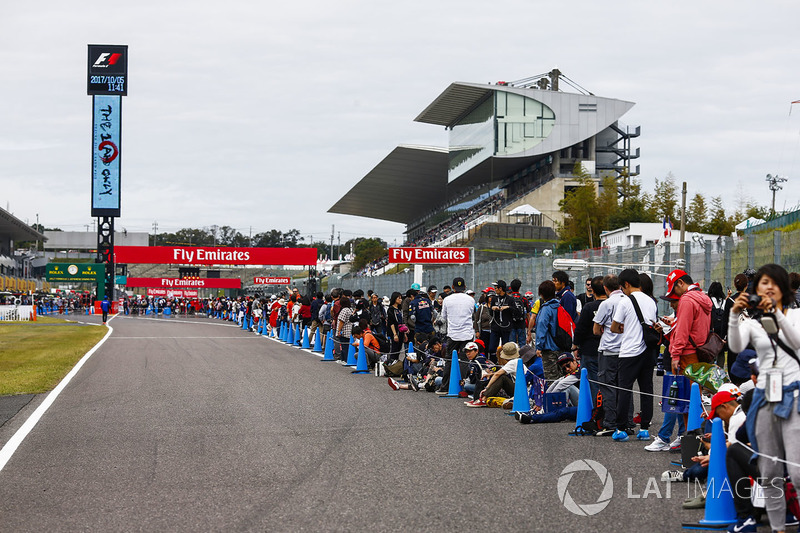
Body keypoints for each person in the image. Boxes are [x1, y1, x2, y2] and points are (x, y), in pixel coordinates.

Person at [728, 264, 800, 533]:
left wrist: (776, 315)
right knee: (769, 472)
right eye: (762, 283)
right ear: (755, 289)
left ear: (783, 287)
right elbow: (735, 347)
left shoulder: (796, 315)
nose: (767, 287)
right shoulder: (752, 323)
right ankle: (778, 529)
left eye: (773, 282)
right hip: (766, 397)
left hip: (794, 394)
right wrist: (735, 315)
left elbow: (796, 341)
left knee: (797, 470)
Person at [610, 269, 658, 442]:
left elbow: (614, 327)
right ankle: (644, 428)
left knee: (624, 390)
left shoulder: (625, 302)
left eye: (622, 287)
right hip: (648, 351)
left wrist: (624, 328)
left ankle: (621, 428)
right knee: (647, 390)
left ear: (627, 285)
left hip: (629, 351)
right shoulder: (652, 301)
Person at [663, 269, 712, 377]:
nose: (674, 293)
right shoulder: (703, 297)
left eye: (674, 289)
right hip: (699, 351)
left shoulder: (686, 300)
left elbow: (682, 331)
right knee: (694, 389)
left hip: (686, 354)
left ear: (680, 283)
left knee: (683, 391)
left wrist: (675, 355)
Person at [572, 276, 605, 404]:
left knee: (592, 383)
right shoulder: (614, 305)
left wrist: (575, 345)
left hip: (590, 348)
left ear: (594, 291)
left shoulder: (589, 307)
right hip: (610, 350)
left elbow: (580, 329)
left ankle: (596, 411)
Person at [534, 280, 561, 381]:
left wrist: (539, 347)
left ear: (541, 294)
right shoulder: (559, 306)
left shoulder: (546, 309)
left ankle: (553, 397)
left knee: (551, 380)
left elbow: (542, 327)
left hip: (549, 348)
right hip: (560, 346)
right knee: (561, 378)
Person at [487, 280, 513, 360]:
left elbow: (516, 311)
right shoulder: (494, 299)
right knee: (492, 347)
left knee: (506, 348)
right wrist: (493, 308)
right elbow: (490, 313)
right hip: (495, 326)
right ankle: (493, 362)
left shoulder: (510, 299)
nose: (495, 289)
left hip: (506, 326)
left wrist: (507, 307)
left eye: (496, 288)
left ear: (500, 288)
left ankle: (505, 362)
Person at [507, 279, 528, 347]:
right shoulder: (523, 298)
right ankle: (522, 357)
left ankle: (512, 357)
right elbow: (528, 313)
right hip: (521, 324)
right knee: (522, 344)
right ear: (519, 287)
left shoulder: (508, 299)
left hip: (511, 324)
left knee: (512, 345)